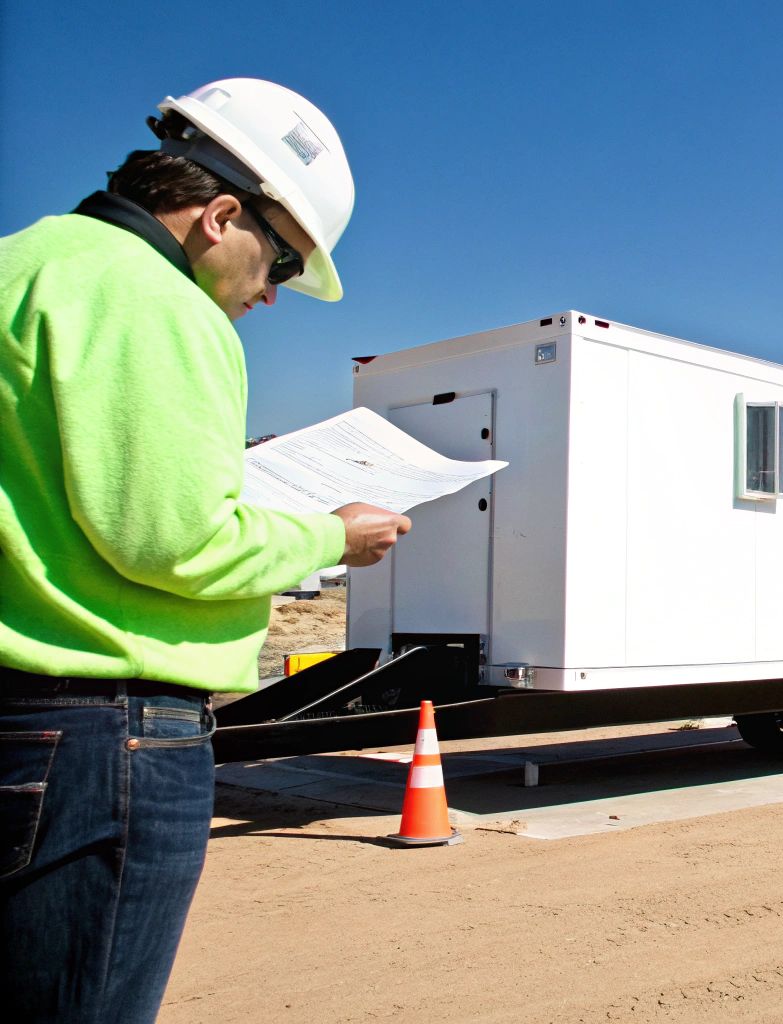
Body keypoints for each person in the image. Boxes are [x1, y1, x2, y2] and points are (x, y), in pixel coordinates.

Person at [0, 79, 411, 1023]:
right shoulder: (159, 301)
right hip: (106, 734)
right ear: (220, 215)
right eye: (281, 262)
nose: (271, 294)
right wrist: (333, 537)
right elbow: (174, 538)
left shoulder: (23, 264)